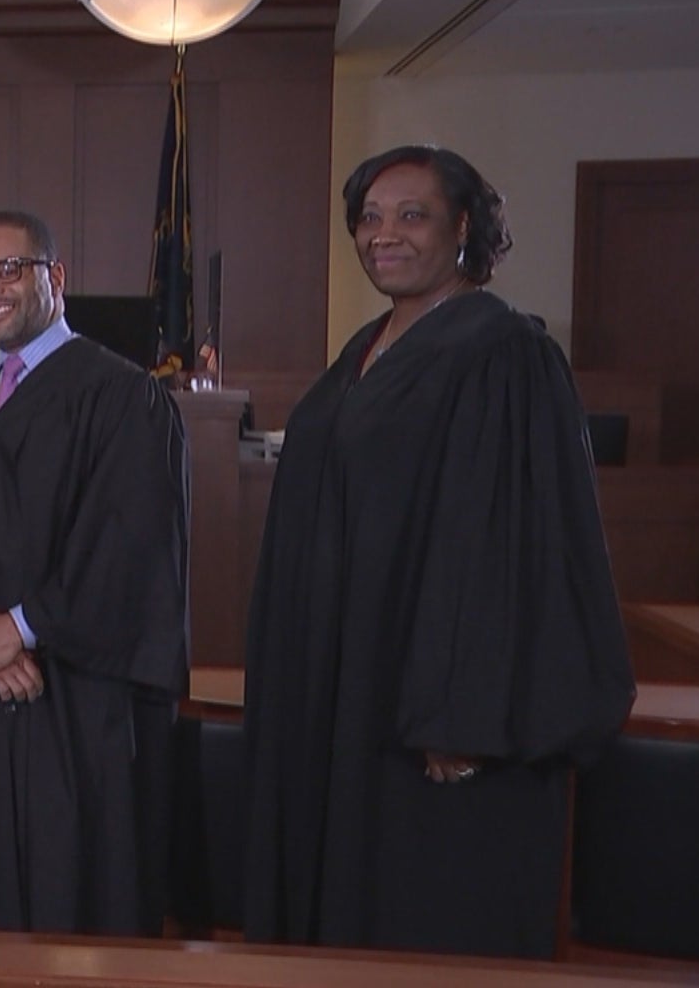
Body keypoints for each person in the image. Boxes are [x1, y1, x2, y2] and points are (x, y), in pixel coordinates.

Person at [242, 145, 635, 959]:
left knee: (424, 919)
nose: (384, 235)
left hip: (438, 715)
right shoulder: (369, 346)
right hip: (348, 691)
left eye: (411, 215)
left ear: (464, 228)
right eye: (370, 217)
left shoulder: (504, 354)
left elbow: (507, 546)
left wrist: (463, 712)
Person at [0, 209, 190, 935]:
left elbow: (132, 542)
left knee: (67, 896)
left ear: (56, 277)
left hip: (71, 703)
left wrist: (21, 627)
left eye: (9, 269)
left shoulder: (123, 397)